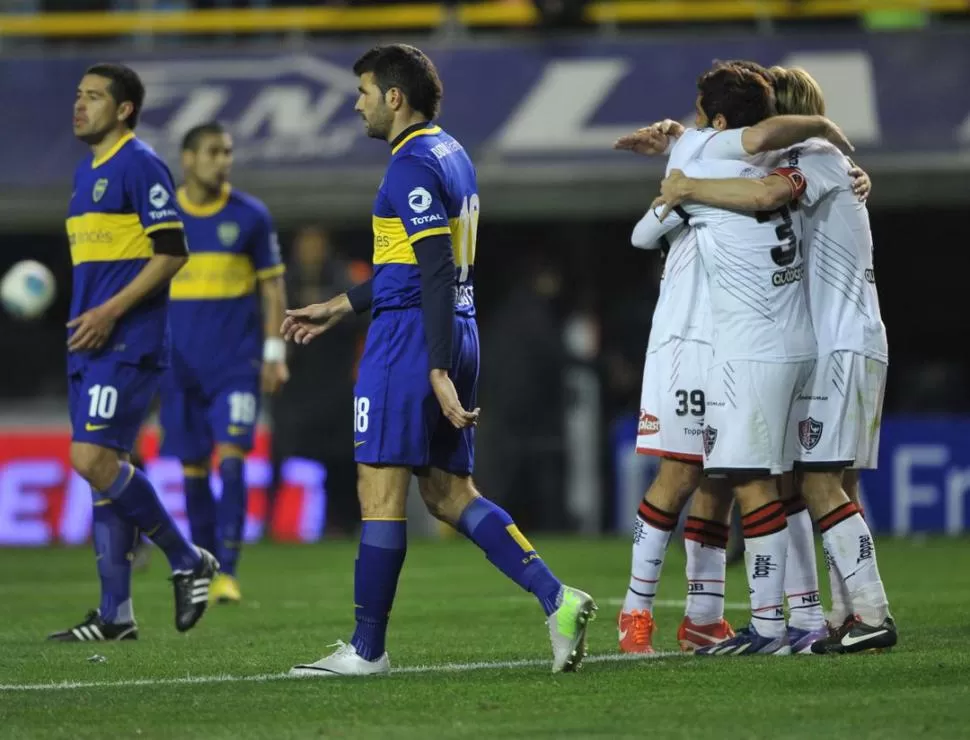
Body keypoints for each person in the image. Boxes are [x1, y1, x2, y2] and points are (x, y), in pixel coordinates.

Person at [282, 44, 595, 677]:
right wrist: (342, 304)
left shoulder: (407, 167)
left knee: (378, 488)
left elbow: (433, 267)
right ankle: (556, 597)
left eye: (364, 91)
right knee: (451, 494)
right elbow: (412, 264)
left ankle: (367, 648)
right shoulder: (449, 152)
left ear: (394, 97)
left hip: (412, 342)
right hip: (453, 325)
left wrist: (434, 367)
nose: (357, 103)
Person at [654, 66, 896, 654]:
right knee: (830, 483)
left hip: (840, 342)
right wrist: (674, 137)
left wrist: (684, 186)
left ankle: (870, 614)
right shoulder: (824, 162)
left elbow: (760, 192)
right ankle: (845, 614)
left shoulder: (810, 157)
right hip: (839, 339)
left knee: (816, 483)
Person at [49, 63, 217, 643]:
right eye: (78, 94)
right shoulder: (84, 173)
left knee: (91, 458)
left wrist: (108, 312)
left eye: (93, 97)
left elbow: (172, 251)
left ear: (123, 109)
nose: (80, 105)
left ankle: (186, 557)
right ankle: (116, 615)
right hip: (89, 341)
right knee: (103, 475)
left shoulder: (140, 163)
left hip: (125, 339)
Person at [158, 121, 288, 604]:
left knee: (232, 461)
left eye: (228, 152)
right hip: (177, 366)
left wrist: (274, 354)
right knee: (193, 469)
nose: (223, 160)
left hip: (235, 363)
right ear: (188, 158)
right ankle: (204, 564)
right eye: (214, 152)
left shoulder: (250, 216)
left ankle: (229, 572)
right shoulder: (162, 216)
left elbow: (272, 286)